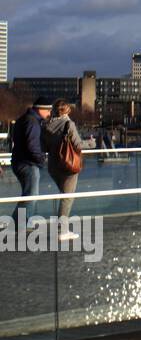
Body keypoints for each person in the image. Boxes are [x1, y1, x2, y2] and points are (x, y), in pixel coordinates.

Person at [41, 99, 84, 240]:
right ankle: (62, 231)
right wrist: (92, 142)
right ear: (66, 111)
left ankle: (61, 228)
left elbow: (44, 147)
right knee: (67, 198)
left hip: (53, 166)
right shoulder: (68, 124)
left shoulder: (46, 125)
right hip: (68, 166)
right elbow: (78, 145)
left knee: (63, 196)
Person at [7, 97, 52, 227]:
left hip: (20, 161)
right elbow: (32, 146)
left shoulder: (24, 119)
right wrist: (42, 159)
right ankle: (19, 224)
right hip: (28, 164)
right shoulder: (32, 122)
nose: (49, 114)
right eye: (48, 110)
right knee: (31, 196)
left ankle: (17, 223)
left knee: (28, 194)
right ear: (40, 109)